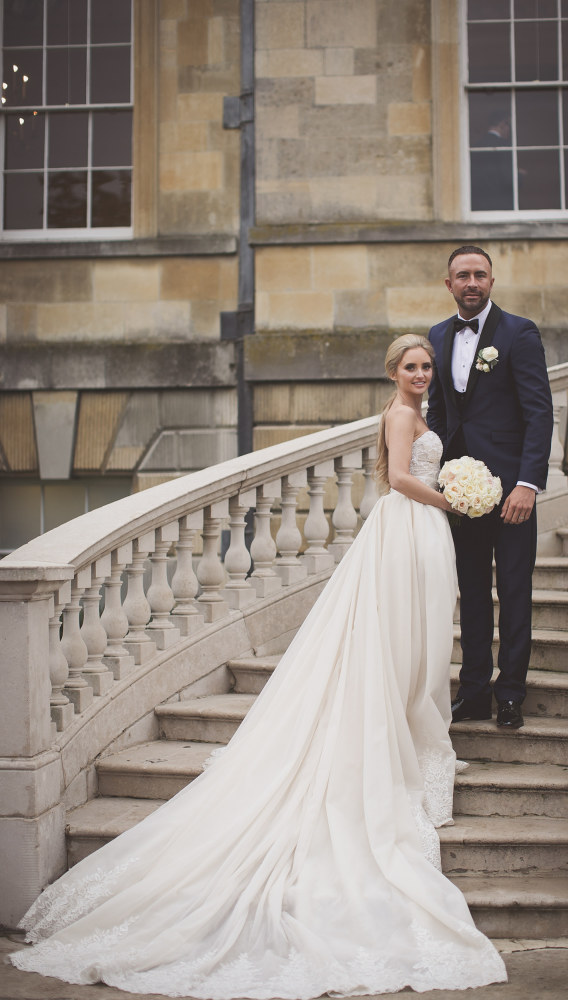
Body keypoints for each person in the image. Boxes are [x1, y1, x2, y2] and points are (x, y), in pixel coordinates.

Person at [9, 334, 507, 998]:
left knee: (417, 644)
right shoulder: (397, 416)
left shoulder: (423, 415)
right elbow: (397, 479)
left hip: (420, 534)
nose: (419, 374)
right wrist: (455, 497)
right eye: (409, 366)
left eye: (423, 366)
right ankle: (392, 740)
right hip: (407, 525)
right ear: (392, 372)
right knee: (395, 642)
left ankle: (414, 736)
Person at [427, 247, 553, 731]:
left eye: (480, 274)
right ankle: (475, 690)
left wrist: (527, 483)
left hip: (512, 491)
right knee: (472, 591)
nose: (472, 282)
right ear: (449, 284)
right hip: (462, 492)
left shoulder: (519, 333)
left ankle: (511, 694)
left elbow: (539, 412)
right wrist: (442, 476)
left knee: (515, 591)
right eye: (463, 275)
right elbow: (439, 412)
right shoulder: (438, 335)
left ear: (492, 281)